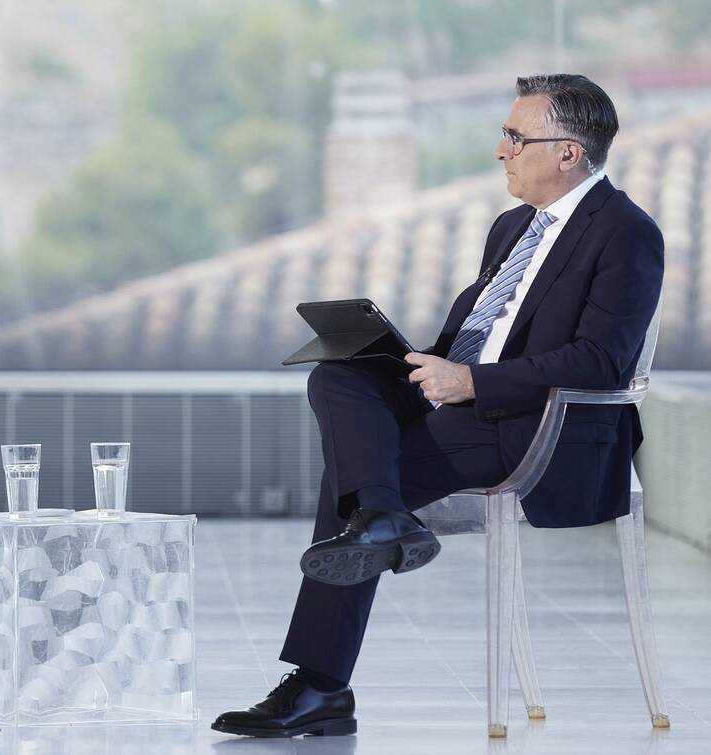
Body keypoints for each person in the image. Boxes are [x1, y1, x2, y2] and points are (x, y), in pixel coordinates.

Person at [213, 74, 663, 738]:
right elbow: (486, 330)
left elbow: (601, 361)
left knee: (356, 475)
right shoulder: (513, 227)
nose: (501, 150)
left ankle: (324, 679)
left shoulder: (625, 233)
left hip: (539, 427)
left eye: (515, 137)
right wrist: (418, 363)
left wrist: (472, 383)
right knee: (339, 376)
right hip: (466, 401)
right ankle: (381, 522)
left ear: (569, 152)